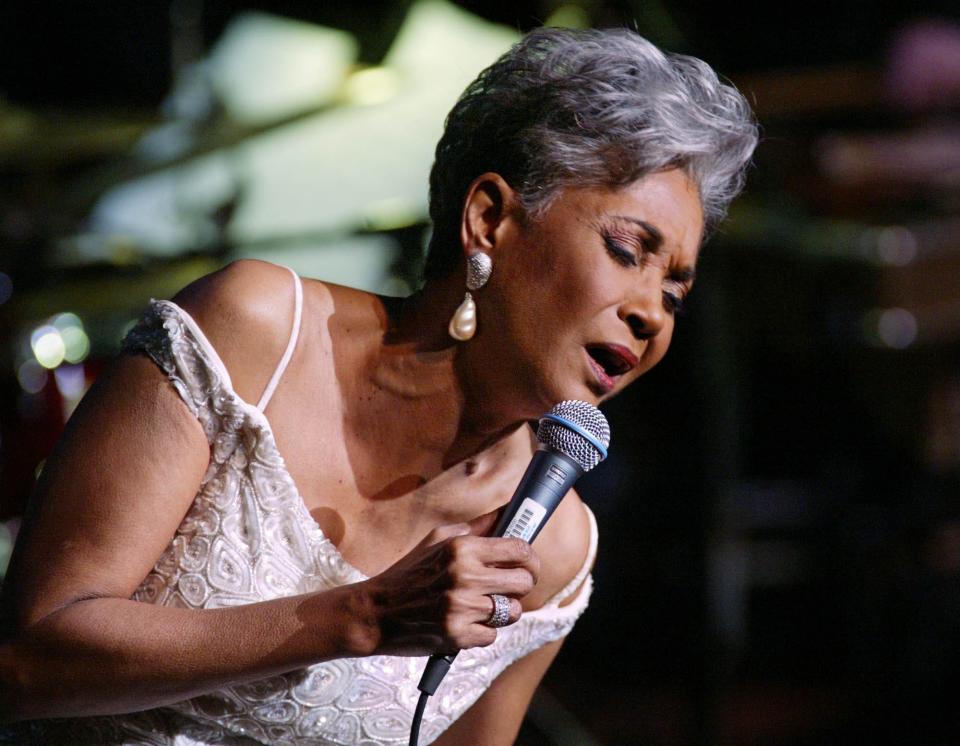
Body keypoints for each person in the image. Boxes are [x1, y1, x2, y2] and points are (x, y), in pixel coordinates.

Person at [0, 26, 757, 745]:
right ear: (489, 219)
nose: (650, 313)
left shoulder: (554, 548)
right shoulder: (256, 335)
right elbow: (24, 661)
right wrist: (362, 616)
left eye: (676, 293)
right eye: (628, 250)